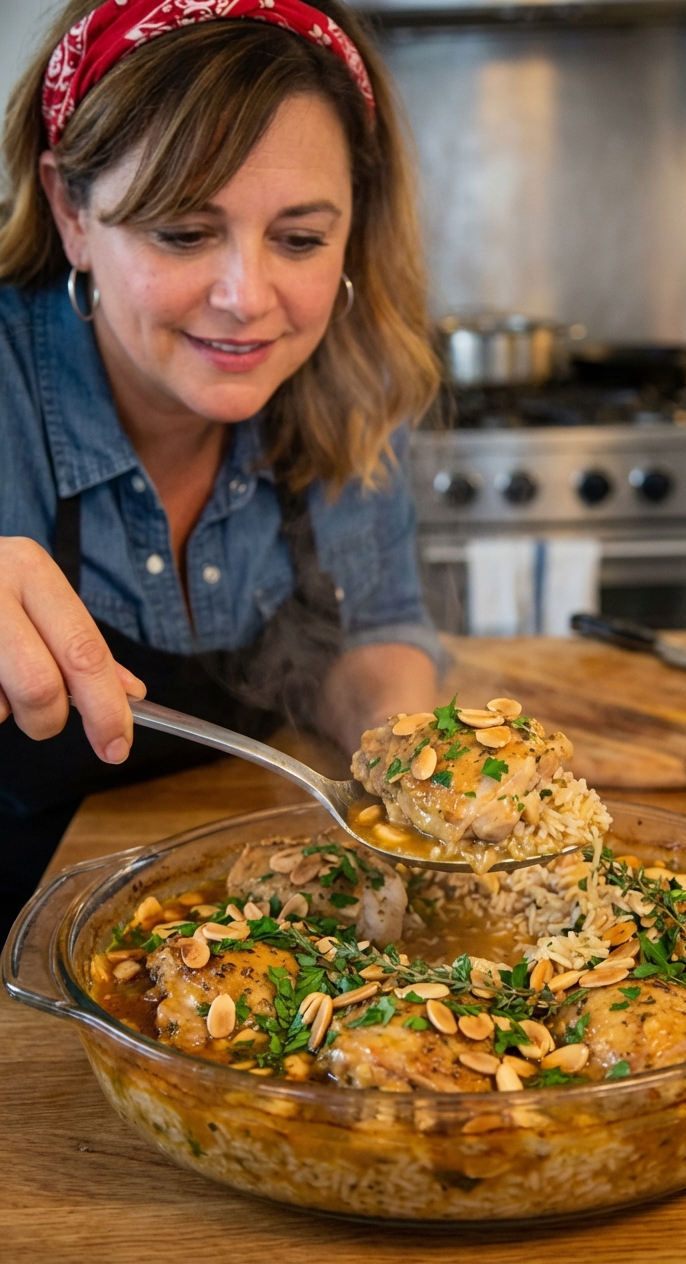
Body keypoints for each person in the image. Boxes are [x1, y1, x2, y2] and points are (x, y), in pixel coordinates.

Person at [0, 0, 444, 940]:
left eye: (299, 239)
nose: (248, 300)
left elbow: (376, 629)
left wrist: (406, 774)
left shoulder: (350, 381)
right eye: (182, 232)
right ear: (71, 212)